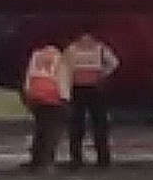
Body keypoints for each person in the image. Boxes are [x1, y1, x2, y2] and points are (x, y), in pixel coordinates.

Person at [64, 30, 120, 170]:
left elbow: (65, 67)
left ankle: (79, 158)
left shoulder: (72, 49)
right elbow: (114, 63)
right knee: (95, 123)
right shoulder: (98, 48)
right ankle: (101, 158)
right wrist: (103, 74)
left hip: (82, 89)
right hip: (92, 88)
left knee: (82, 124)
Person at [21, 39, 70, 172]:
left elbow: (28, 75)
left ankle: (36, 160)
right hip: (53, 98)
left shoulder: (36, 55)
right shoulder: (61, 58)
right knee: (52, 132)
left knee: (40, 130)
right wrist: (65, 98)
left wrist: (27, 95)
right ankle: (47, 162)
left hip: (36, 96)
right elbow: (63, 79)